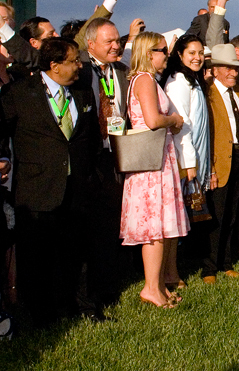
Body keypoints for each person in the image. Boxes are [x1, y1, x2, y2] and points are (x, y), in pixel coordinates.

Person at [0, 38, 104, 325]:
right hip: (38, 188)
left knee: (76, 252)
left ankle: (82, 306)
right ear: (55, 66)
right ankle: (42, 316)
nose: (79, 66)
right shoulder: (20, 93)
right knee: (38, 256)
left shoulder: (83, 94)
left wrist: (90, 174)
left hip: (77, 188)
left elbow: (91, 137)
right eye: (74, 61)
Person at [120, 32, 188, 309]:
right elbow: (151, 119)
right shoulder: (145, 79)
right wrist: (173, 119)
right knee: (154, 227)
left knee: (159, 226)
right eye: (162, 50)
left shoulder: (146, 79)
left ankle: (158, 284)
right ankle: (151, 288)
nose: (166, 55)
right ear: (149, 53)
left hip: (159, 158)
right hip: (151, 164)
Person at [74, 18, 130, 307]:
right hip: (87, 157)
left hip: (116, 153)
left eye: (118, 40)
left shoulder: (122, 70)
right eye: (109, 41)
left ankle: (107, 288)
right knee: (88, 228)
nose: (116, 45)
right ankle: (87, 292)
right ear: (91, 43)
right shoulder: (80, 70)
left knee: (110, 224)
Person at [206, 44, 239, 283]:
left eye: (236, 68)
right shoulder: (209, 94)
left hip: (238, 159)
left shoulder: (237, 94)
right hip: (219, 161)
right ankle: (209, 267)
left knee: (232, 214)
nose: (234, 73)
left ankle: (225, 262)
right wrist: (210, 167)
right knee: (217, 216)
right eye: (229, 69)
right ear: (216, 70)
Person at [162, 35, 211, 211]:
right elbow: (181, 124)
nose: (197, 57)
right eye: (191, 53)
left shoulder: (192, 79)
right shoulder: (178, 81)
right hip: (185, 161)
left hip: (197, 157)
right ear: (180, 54)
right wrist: (189, 164)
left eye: (200, 53)